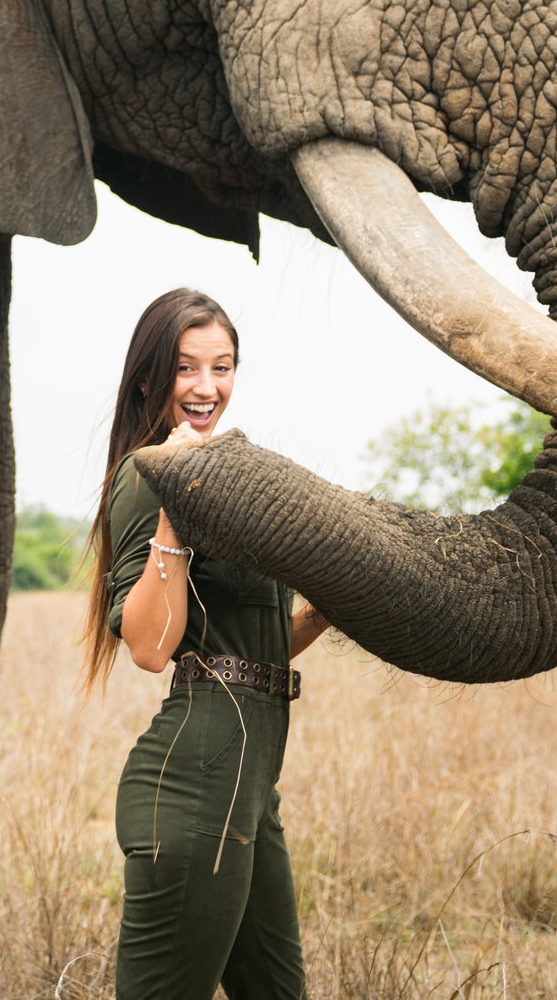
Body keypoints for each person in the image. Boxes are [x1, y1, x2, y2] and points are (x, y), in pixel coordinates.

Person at [85, 287, 329, 1000]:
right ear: (150, 380)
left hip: (250, 794)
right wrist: (175, 511)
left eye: (221, 367)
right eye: (186, 368)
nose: (205, 387)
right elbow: (150, 647)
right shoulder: (146, 474)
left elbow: (248, 648)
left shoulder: (233, 475)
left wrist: (322, 613)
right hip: (193, 792)